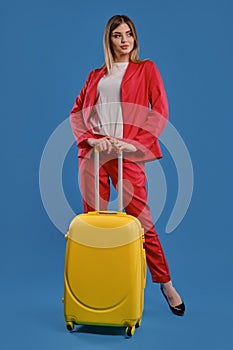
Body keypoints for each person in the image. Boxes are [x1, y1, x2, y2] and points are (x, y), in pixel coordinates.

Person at [70, 14, 185, 316]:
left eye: (129, 34)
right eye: (117, 35)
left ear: (135, 38)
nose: (124, 40)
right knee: (93, 222)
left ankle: (165, 283)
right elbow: (76, 113)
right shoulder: (96, 75)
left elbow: (158, 111)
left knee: (141, 221)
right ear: (108, 40)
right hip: (95, 155)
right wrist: (92, 141)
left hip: (128, 154)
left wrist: (135, 143)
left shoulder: (146, 69)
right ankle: (99, 287)